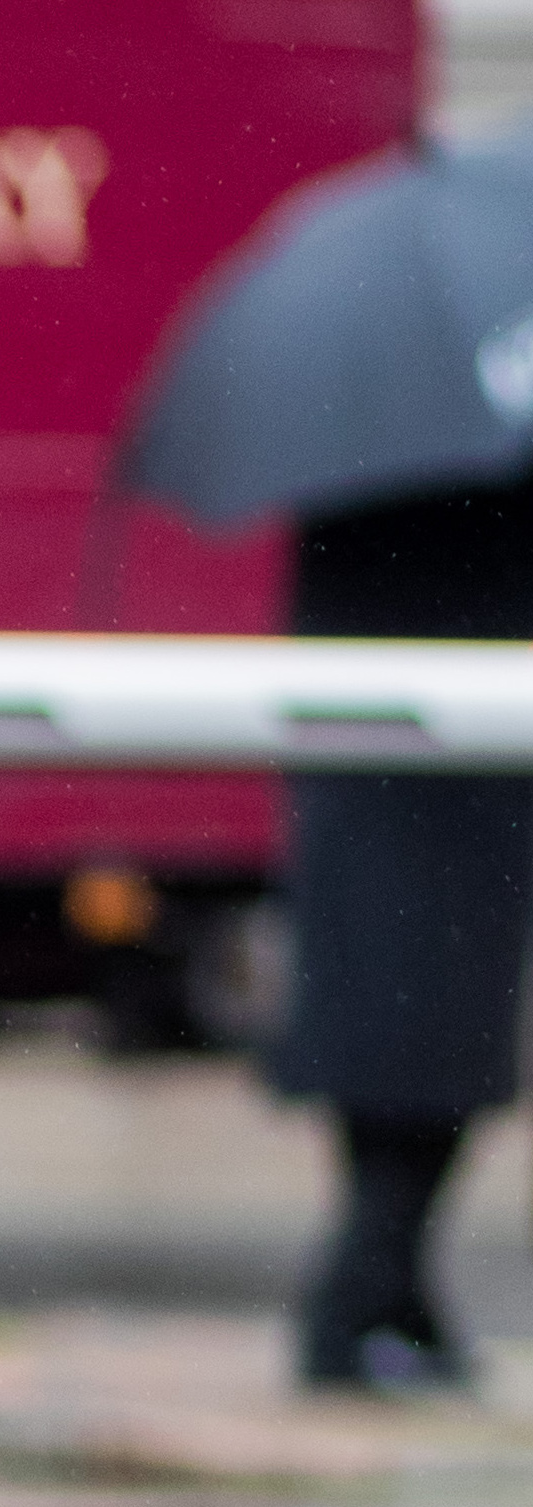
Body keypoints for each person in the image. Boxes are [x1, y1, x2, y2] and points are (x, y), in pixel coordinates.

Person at [281, 473, 533, 1390]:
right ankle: (360, 1306)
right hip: (453, 815)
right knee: (431, 1069)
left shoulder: (348, 482)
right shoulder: (483, 486)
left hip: (374, 816)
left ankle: (396, 1302)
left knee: (399, 1066)